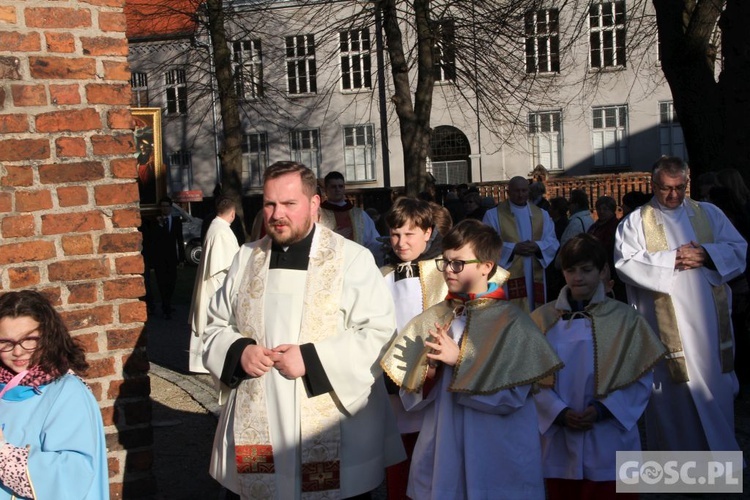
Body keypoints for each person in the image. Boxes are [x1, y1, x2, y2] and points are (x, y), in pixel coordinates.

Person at [202, 161, 405, 499]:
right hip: (259, 415)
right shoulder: (244, 258)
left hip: (329, 420)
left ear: (314, 204)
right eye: (269, 204)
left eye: (288, 204)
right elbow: (213, 326)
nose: (276, 214)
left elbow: (378, 332)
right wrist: (239, 351)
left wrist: (311, 359)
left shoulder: (351, 259)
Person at [380, 219, 562, 499]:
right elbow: (414, 395)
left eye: (458, 263)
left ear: (486, 266)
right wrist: (429, 372)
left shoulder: (512, 323)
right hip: (446, 442)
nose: (448, 271)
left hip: (495, 446)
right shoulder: (436, 316)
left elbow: (514, 396)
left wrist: (461, 360)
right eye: (446, 262)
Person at [614, 156, 747, 452]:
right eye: (665, 188)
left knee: (716, 392)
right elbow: (624, 263)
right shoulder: (636, 222)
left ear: (687, 183)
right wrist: (672, 259)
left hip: (709, 330)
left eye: (679, 187)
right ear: (652, 184)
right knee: (673, 401)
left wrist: (707, 255)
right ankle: (680, 475)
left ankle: (720, 473)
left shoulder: (710, 214)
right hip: (664, 330)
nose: (673, 195)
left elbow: (739, 250)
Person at [532, 234, 665, 500]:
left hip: (609, 434)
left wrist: (603, 410)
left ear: (603, 270)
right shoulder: (541, 320)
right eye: (570, 270)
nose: (577, 277)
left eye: (586, 269)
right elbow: (531, 379)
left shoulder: (626, 320)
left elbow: (640, 377)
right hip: (559, 436)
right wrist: (558, 412)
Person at [0, 290, 108, 500]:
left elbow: (73, 475)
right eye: (6, 342)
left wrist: (4, 457)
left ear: (48, 336)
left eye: (29, 339)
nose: (18, 352)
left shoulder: (67, 393)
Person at [380, 197, 446, 499]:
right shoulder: (381, 275)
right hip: (392, 381)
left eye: (409, 234)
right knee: (398, 460)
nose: (401, 242)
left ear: (428, 233)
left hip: (435, 384)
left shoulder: (445, 272)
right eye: (395, 234)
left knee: (433, 463)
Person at [483, 176, 559, 312]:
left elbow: (552, 240)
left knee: (535, 311)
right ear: (508, 192)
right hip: (508, 274)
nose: (520, 194)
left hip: (534, 268)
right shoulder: (493, 215)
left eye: (524, 190)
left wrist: (538, 246)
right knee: (511, 313)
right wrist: (513, 248)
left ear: (528, 192)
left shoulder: (542, 214)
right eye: (516, 191)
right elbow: (486, 243)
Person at [188, 196, 241, 374]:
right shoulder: (221, 231)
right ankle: (206, 361)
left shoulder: (216, 226)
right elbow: (226, 263)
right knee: (212, 318)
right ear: (232, 213)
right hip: (217, 284)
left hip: (214, 282)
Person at [319, 171, 383, 264]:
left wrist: (384, 247)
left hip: (356, 263)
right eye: (333, 186)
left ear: (344, 188)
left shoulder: (359, 215)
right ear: (326, 190)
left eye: (340, 186)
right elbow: (313, 243)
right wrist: (333, 237)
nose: (337, 189)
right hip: (331, 265)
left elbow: (373, 241)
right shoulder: (318, 215)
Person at [147, 196, 185, 319]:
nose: (165, 208)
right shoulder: (155, 222)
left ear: (170, 207)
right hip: (159, 259)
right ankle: (166, 306)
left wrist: (182, 258)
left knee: (171, 282)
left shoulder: (176, 221)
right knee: (161, 283)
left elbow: (180, 240)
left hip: (172, 258)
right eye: (162, 206)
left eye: (167, 206)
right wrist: (159, 224)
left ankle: (167, 303)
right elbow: (152, 240)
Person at [587, 196, 625, 301]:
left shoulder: (615, 226)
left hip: (610, 268)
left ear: (612, 210)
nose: (601, 212)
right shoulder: (595, 226)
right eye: (599, 209)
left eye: (605, 209)